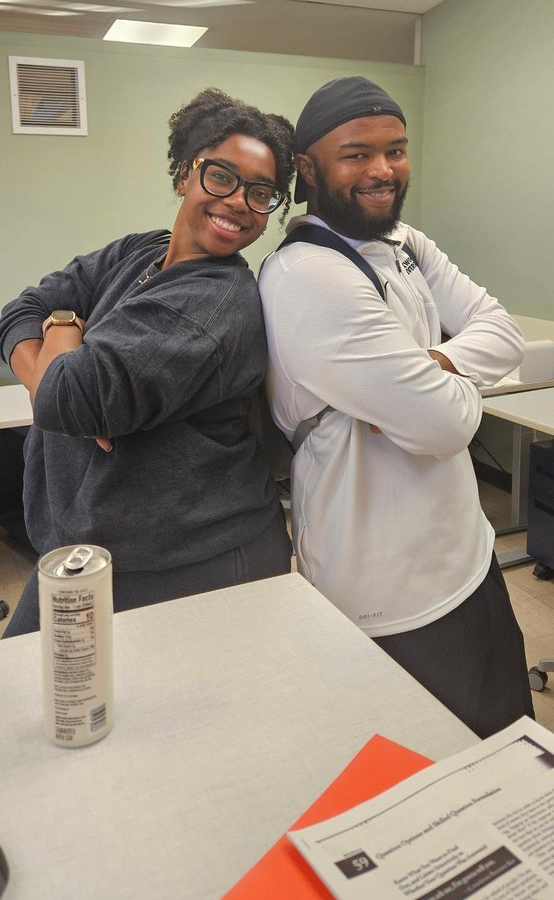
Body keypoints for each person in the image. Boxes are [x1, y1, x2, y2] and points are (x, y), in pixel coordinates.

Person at [259, 75, 534, 738]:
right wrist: (435, 393)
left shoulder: (408, 244)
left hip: (466, 554)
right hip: (383, 587)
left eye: (396, 149)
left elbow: (502, 331)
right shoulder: (306, 276)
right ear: (307, 167)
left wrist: (432, 367)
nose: (382, 170)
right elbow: (449, 425)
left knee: (505, 751)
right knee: (414, 780)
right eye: (356, 153)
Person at [0, 87, 295, 637]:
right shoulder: (140, 251)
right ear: (185, 172)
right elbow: (20, 310)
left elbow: (66, 399)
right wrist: (59, 351)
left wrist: (61, 329)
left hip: (184, 562)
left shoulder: (213, 302)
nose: (238, 202)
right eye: (221, 175)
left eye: (262, 193)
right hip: (92, 544)